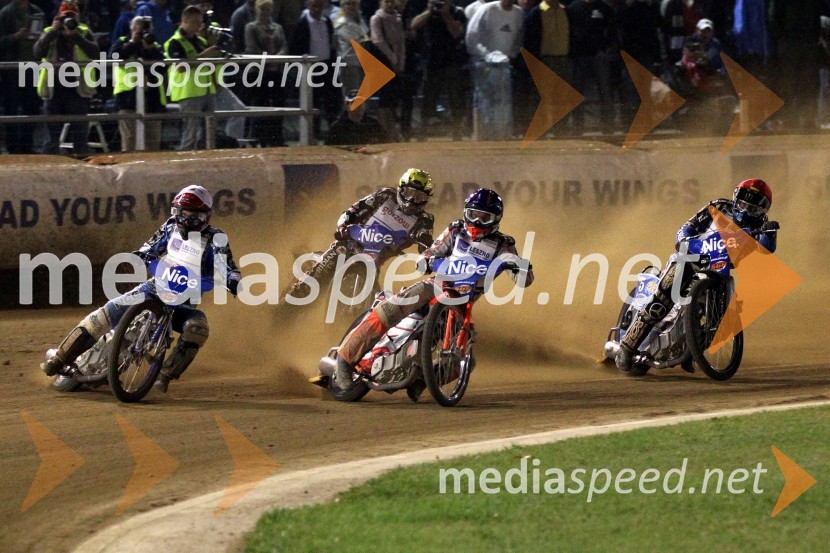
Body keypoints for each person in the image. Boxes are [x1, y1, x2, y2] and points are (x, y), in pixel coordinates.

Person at [335, 188, 534, 400]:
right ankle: (345, 360)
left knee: (466, 362)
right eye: (473, 214)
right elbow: (431, 252)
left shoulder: (504, 244)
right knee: (394, 307)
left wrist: (520, 267)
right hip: (435, 286)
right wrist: (428, 260)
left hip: (462, 304)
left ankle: (421, 381)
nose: (476, 221)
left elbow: (525, 280)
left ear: (496, 220)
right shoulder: (456, 230)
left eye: (484, 217)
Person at [41, 185, 242, 393]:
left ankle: (164, 376)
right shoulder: (170, 227)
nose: (186, 220)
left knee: (198, 329)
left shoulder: (216, 239)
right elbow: (149, 248)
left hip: (184, 305)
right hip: (153, 289)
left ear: (207, 216)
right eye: (182, 213)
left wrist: (235, 282)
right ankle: (59, 358)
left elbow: (228, 268)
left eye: (195, 216)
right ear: (176, 212)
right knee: (101, 317)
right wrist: (141, 255)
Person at [615, 178, 780, 372]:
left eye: (752, 208)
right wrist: (685, 239)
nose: (746, 210)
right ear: (736, 199)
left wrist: (770, 233)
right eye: (743, 204)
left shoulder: (762, 223)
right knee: (662, 300)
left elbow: (766, 248)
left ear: (763, 211)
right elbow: (687, 227)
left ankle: (690, 351)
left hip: (720, 270)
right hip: (689, 259)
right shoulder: (718, 206)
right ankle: (627, 345)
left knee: (717, 317)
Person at [286, 168, 435, 300]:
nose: (412, 200)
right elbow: (353, 210)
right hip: (350, 245)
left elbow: (427, 244)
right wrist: (343, 226)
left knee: (376, 303)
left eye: (419, 197)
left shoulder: (424, 220)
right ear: (401, 189)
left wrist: (427, 254)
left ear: (426, 200)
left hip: (375, 261)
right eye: (409, 193)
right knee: (316, 279)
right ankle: (286, 305)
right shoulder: (385, 195)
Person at [33, 0, 100, 155]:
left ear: (77, 17)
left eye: (71, 17)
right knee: (51, 138)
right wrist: (52, 33)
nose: (68, 20)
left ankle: (83, 167)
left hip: (78, 88)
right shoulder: (50, 30)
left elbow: (96, 53)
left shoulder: (83, 31)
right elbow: (37, 52)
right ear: (58, 17)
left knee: (80, 136)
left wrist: (76, 36)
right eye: (65, 17)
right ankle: (50, 171)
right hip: (54, 88)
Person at [465, 0, 524, 141]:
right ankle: (484, 136)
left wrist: (512, 54)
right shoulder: (487, 10)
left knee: (504, 101)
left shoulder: (518, 13)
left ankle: (502, 135)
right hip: (484, 63)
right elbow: (472, 36)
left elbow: (518, 37)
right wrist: (487, 55)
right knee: (485, 100)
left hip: (504, 64)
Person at [164, 4, 220, 151]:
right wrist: (205, 54)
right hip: (188, 92)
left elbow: (210, 65)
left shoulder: (200, 41)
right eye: (195, 22)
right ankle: (184, 163)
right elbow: (181, 66)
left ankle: (207, 160)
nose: (199, 26)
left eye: (200, 22)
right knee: (191, 133)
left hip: (207, 89)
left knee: (209, 132)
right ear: (185, 21)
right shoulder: (173, 43)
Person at [110, 14, 165, 151]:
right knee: (129, 141)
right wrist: (133, 44)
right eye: (138, 28)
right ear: (132, 28)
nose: (143, 32)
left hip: (152, 99)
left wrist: (148, 49)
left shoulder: (154, 45)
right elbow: (115, 58)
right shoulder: (122, 42)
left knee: (152, 142)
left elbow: (162, 66)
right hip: (128, 98)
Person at [0, 0, 45, 154]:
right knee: (11, 106)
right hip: (11, 68)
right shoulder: (5, 13)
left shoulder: (37, 11)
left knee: (32, 105)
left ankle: (27, 144)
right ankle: (12, 146)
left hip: (32, 65)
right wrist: (15, 37)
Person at [244, 0, 288, 146]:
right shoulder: (250, 27)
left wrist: (277, 59)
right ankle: (258, 138)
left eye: (268, 9)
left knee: (278, 104)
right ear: (257, 10)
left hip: (276, 72)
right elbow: (252, 48)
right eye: (262, 9)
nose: (265, 12)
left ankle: (276, 138)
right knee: (260, 105)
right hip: (258, 73)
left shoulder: (278, 27)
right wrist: (269, 60)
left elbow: (284, 46)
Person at [333, 0, 367, 94]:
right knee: (352, 94)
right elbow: (353, 40)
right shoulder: (341, 22)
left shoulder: (358, 19)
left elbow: (365, 36)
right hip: (348, 62)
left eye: (354, 4)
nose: (351, 6)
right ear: (343, 6)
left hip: (360, 62)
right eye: (348, 4)